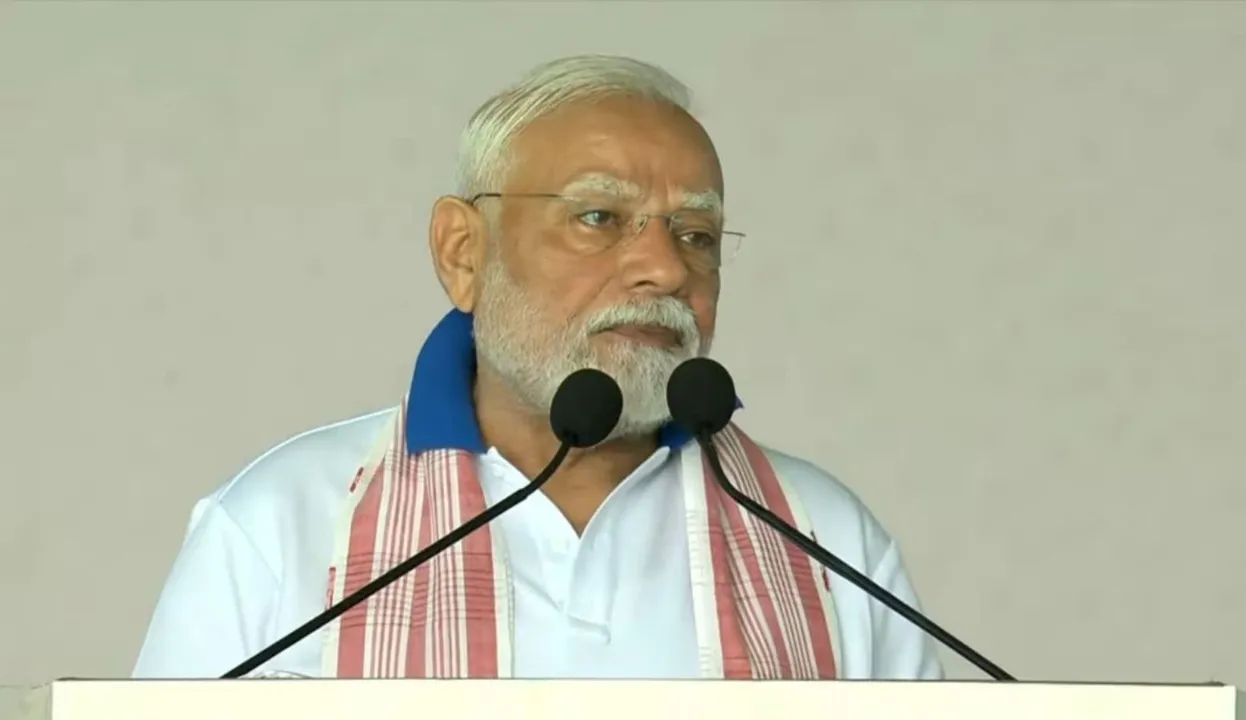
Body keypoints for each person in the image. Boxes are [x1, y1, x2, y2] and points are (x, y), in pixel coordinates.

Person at [132, 54, 944, 681]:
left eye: (695, 233)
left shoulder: (824, 538)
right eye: (599, 217)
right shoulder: (283, 525)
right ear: (463, 252)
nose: (663, 268)